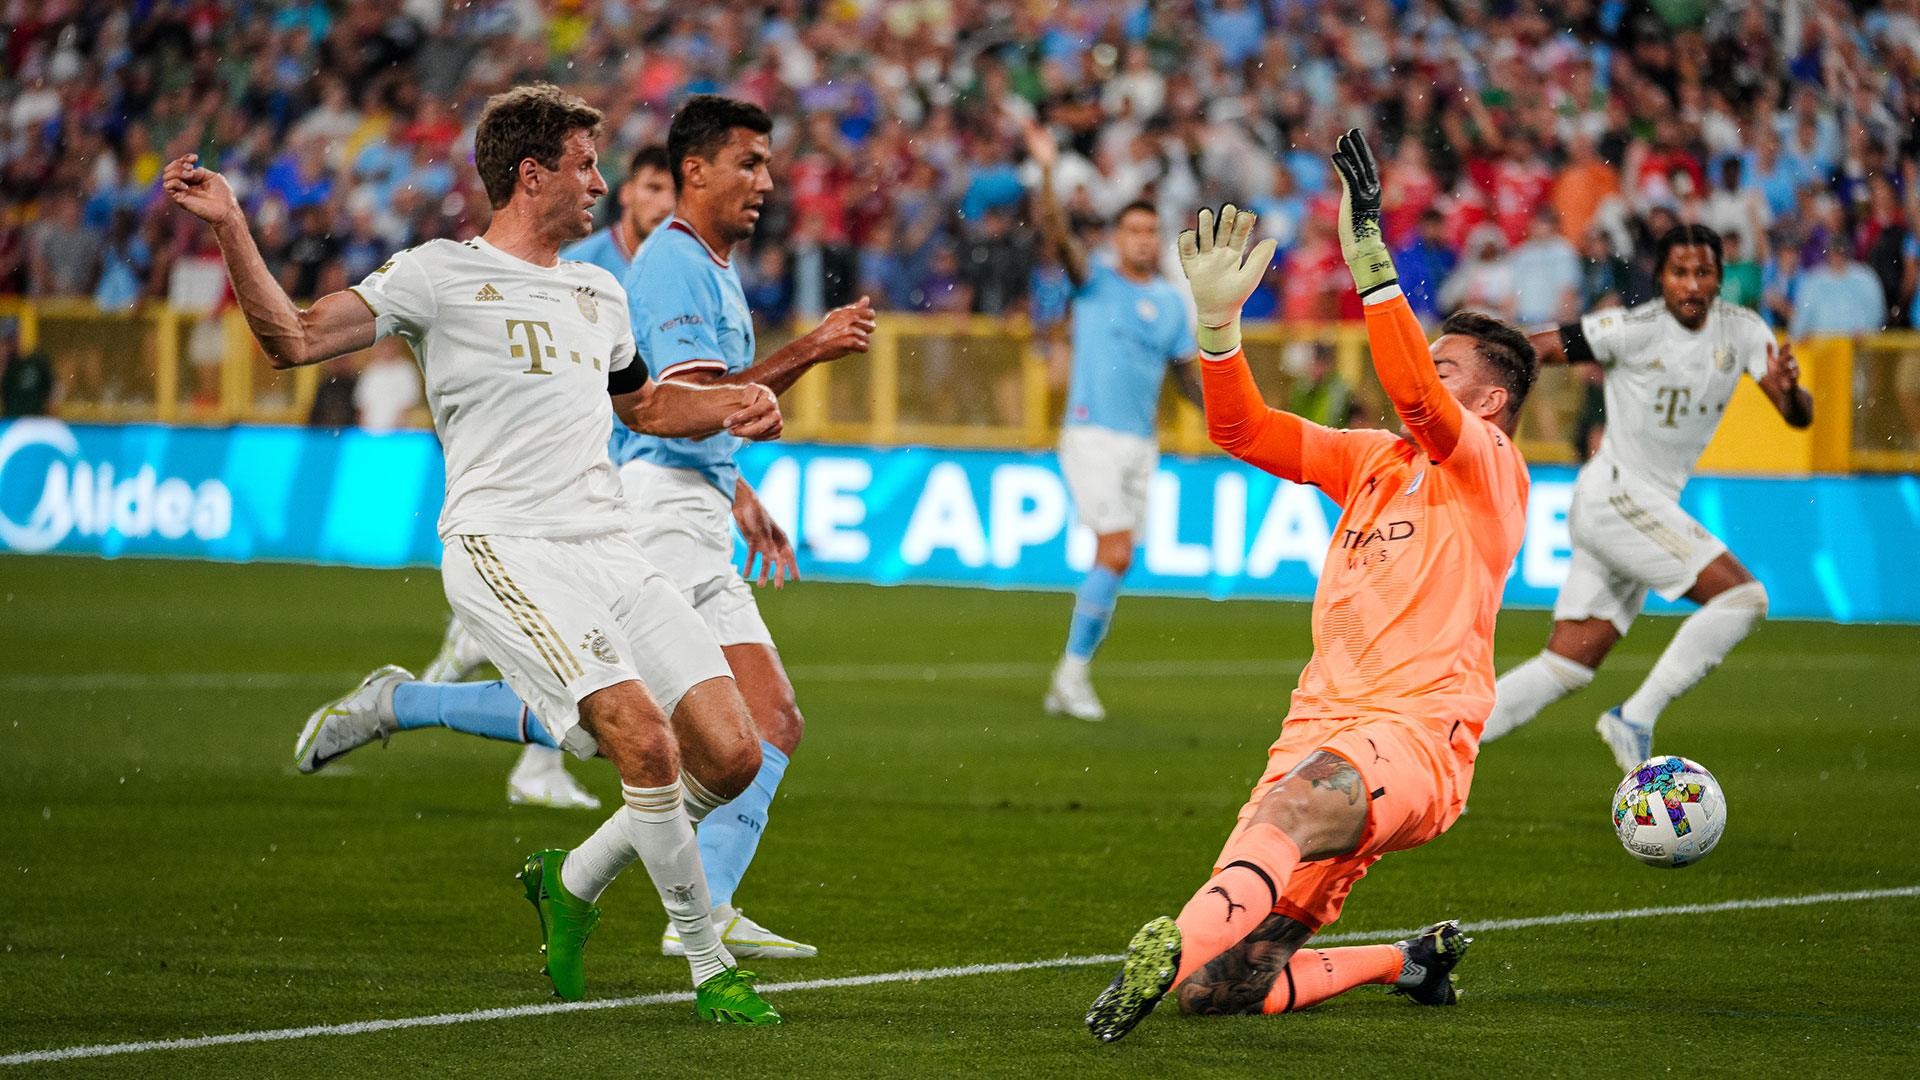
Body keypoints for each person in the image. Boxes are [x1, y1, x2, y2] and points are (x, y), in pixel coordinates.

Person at [166, 83, 788, 1024]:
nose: (602, 182)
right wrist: (232, 225)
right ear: (530, 175)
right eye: (585, 165)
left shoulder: (598, 290)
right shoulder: (434, 277)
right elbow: (291, 338)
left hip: (609, 544)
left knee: (733, 752)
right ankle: (708, 967)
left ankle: (570, 878)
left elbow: (647, 407)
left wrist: (733, 403)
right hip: (507, 547)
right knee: (646, 740)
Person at [331, 96, 876, 962]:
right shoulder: (665, 267)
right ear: (693, 173)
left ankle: (646, 888)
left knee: (758, 722)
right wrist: (805, 351)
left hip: (692, 500)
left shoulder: (701, 268)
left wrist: (735, 490)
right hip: (641, 510)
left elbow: (690, 408)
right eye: (750, 164)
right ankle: (410, 703)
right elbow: (682, 405)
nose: (765, 183)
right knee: (627, 725)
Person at [1086, 130, 1534, 1043]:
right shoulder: (1374, 460)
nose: (1421, 372)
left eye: (1446, 366)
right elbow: (1244, 432)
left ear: (1487, 402)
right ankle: (1407, 963)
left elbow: (1414, 395)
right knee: (1221, 988)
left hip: (1414, 737)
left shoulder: (1488, 466)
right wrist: (1216, 329)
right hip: (1320, 728)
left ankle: (1169, 938)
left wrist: (1370, 256)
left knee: (1282, 823)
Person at [1485, 224, 1815, 771]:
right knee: (1743, 599)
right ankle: (1635, 716)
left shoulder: (1745, 330)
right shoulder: (1631, 330)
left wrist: (1793, 389)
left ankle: (1447, 749)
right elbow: (1531, 349)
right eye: (1679, 273)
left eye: (1702, 272)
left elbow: (1796, 416)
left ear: (1719, 277)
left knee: (1567, 664)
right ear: (1660, 278)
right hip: (1619, 497)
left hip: (1634, 506)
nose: (1691, 284)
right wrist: (1500, 431)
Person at [413, 144, 679, 812]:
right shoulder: (584, 269)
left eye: (670, 191)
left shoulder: (665, 270)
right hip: (570, 484)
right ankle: (511, 742)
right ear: (627, 197)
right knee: (608, 653)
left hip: (626, 473)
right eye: (651, 188)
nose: (663, 203)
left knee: (611, 647)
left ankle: (469, 657)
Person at [1025, 119, 1204, 722]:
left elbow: (1190, 385)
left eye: (1151, 232)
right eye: (1133, 230)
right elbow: (1055, 230)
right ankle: (1072, 677)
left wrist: (1243, 425)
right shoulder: (1095, 281)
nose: (1143, 240)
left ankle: (1068, 677)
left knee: (1121, 559)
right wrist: (1049, 167)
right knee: (1116, 550)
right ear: (1116, 237)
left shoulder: (1174, 306)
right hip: (1092, 433)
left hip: (1140, 443)